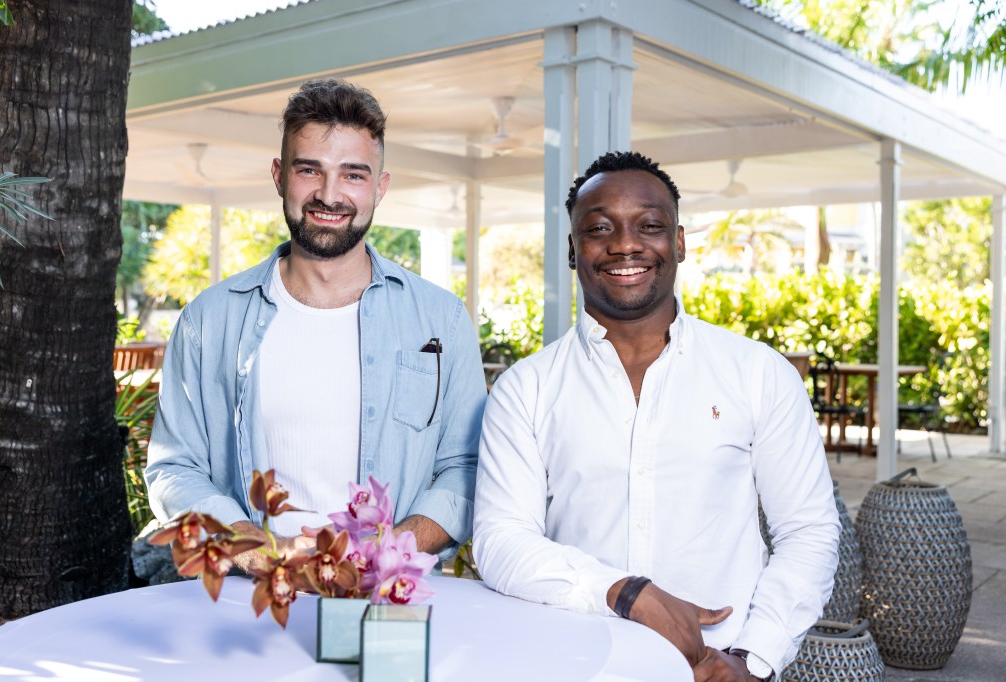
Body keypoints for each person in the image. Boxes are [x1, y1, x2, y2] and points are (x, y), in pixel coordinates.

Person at [472, 151, 839, 680]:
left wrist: (753, 659)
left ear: (679, 242)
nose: (625, 244)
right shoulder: (525, 389)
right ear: (573, 249)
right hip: (578, 663)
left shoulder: (758, 373)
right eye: (600, 228)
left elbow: (808, 530)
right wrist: (625, 592)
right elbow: (502, 541)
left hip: (718, 665)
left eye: (649, 225)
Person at [145, 78, 487, 570]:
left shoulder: (442, 319)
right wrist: (257, 548)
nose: (329, 195)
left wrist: (383, 552)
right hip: (251, 593)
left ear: (380, 187)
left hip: (387, 594)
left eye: (353, 175)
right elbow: (174, 467)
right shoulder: (209, 320)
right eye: (309, 170)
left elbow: (466, 469)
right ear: (279, 175)